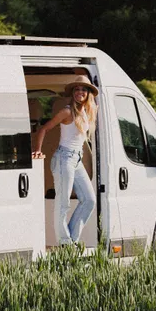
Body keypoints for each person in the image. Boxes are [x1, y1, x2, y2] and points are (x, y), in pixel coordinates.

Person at [31, 76, 98, 246]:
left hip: (77, 160)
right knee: (63, 205)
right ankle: (67, 245)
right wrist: (37, 151)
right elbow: (44, 129)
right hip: (64, 159)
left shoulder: (87, 112)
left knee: (89, 200)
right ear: (72, 93)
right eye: (77, 89)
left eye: (83, 89)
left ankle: (71, 242)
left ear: (88, 93)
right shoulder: (67, 112)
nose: (80, 92)